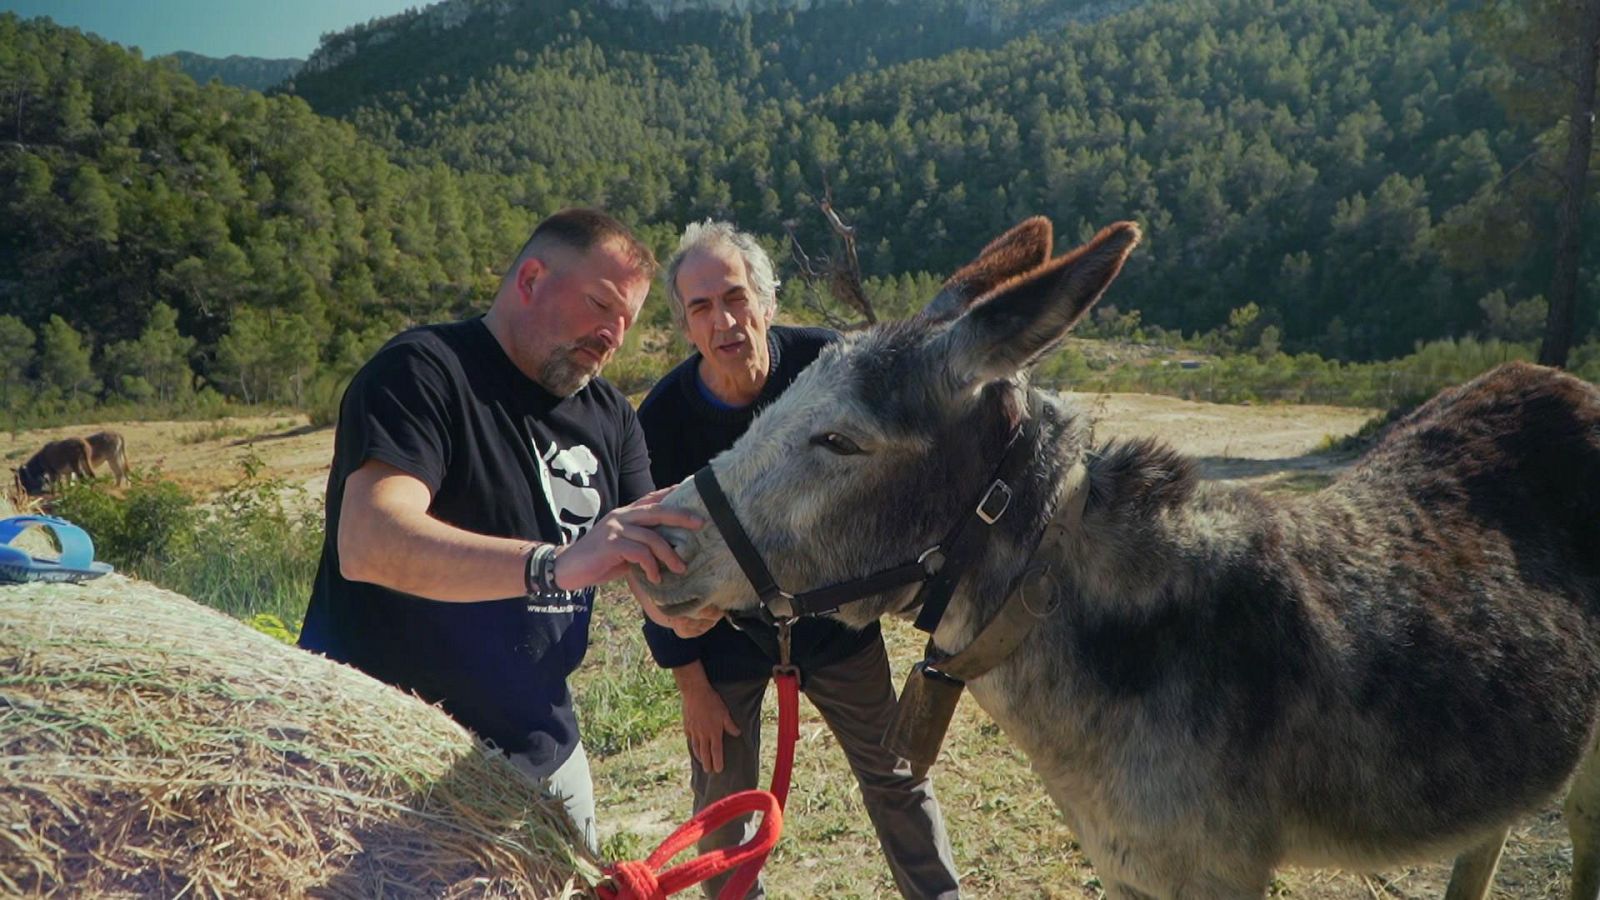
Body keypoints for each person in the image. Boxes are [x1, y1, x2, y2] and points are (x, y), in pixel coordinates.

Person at [298, 208, 709, 852]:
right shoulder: (423, 372)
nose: (613, 336)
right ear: (531, 279)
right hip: (386, 756)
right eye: (600, 305)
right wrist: (557, 565)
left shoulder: (611, 416)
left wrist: (698, 596)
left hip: (544, 749)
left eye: (626, 322)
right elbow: (370, 541)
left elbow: (650, 575)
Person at [637, 220, 962, 899]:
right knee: (723, 808)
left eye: (735, 296)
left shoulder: (826, 369)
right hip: (727, 641)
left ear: (767, 302)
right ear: (686, 326)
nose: (724, 320)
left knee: (897, 778)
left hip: (838, 628)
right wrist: (691, 684)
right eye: (701, 307)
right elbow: (654, 565)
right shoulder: (662, 421)